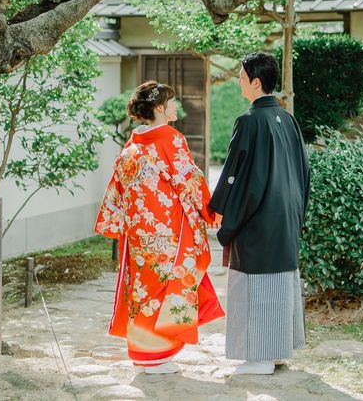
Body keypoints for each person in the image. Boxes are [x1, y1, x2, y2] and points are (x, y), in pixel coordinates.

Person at [95, 81, 224, 374]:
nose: (176, 107)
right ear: (159, 108)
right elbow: (190, 180)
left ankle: (143, 354)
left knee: (142, 290)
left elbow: (118, 187)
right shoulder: (170, 138)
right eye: (172, 102)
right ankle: (155, 357)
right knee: (164, 289)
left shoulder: (133, 143)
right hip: (166, 232)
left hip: (138, 233)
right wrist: (212, 211)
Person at [209, 52, 311, 375]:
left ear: (256, 82)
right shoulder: (287, 119)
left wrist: (220, 208)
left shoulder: (250, 121)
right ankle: (277, 352)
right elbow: (304, 171)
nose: (238, 81)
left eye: (241, 76)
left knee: (256, 287)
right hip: (286, 217)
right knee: (279, 285)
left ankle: (260, 358)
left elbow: (235, 174)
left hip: (260, 219)